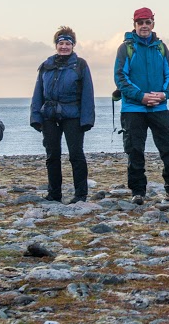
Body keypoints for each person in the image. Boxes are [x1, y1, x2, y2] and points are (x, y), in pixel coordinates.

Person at [113, 7, 169, 205]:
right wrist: (141, 97)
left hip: (159, 107)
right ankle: (138, 191)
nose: (144, 26)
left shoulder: (161, 48)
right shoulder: (126, 48)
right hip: (133, 108)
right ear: (135, 25)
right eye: (140, 23)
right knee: (135, 150)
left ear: (153, 24)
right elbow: (120, 77)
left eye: (148, 22)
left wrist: (164, 95)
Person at [30, 26, 95, 204]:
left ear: (73, 45)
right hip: (49, 115)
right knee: (52, 155)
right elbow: (38, 93)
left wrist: (87, 119)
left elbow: (88, 93)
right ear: (56, 45)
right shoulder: (46, 65)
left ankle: (80, 195)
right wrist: (35, 117)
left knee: (76, 154)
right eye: (61, 43)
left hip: (73, 115)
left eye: (68, 43)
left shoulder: (80, 65)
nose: (64, 46)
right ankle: (54, 194)